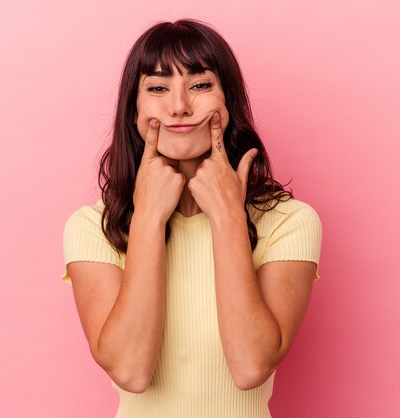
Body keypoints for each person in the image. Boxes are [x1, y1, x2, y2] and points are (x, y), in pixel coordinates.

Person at [61, 18, 322, 418]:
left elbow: (251, 366)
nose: (179, 106)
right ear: (134, 111)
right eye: (158, 88)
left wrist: (228, 216)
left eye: (200, 85)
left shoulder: (290, 221)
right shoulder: (90, 227)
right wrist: (148, 217)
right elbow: (131, 371)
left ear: (228, 102)